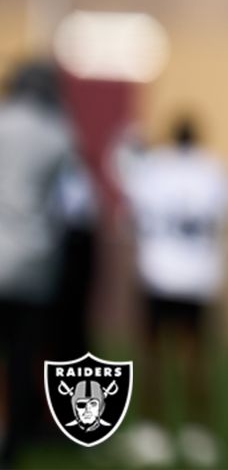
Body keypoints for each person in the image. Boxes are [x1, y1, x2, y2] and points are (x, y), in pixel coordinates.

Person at [116, 114, 228, 468]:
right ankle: (198, 433)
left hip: (159, 274)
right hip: (198, 277)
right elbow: (226, 217)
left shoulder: (153, 169)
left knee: (153, 355)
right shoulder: (214, 171)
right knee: (195, 357)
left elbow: (132, 214)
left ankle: (154, 432)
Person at [0, 59, 77, 468]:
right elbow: (67, 196)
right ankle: (13, 437)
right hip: (35, 261)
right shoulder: (57, 133)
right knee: (21, 356)